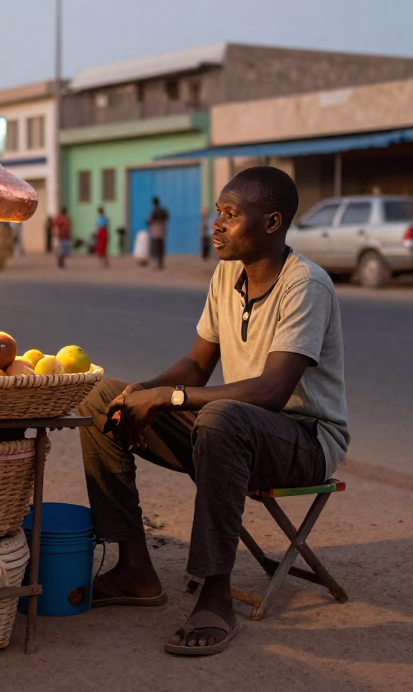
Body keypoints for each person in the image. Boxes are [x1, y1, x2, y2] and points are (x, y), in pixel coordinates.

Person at [78, 166, 348, 656]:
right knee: (101, 399)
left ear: (270, 223)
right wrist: (145, 389)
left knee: (221, 417)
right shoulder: (228, 273)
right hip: (230, 429)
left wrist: (168, 398)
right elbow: (197, 363)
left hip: (302, 441)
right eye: (217, 212)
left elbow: (271, 391)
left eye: (230, 214)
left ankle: (215, 594)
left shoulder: (306, 284)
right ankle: (135, 568)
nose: (216, 224)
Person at [148, 196, 170, 270]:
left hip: (155, 230)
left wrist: (148, 222)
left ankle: (156, 263)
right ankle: (161, 262)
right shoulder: (163, 210)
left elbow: (151, 220)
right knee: (161, 247)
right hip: (162, 230)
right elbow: (167, 217)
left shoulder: (154, 211)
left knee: (155, 247)